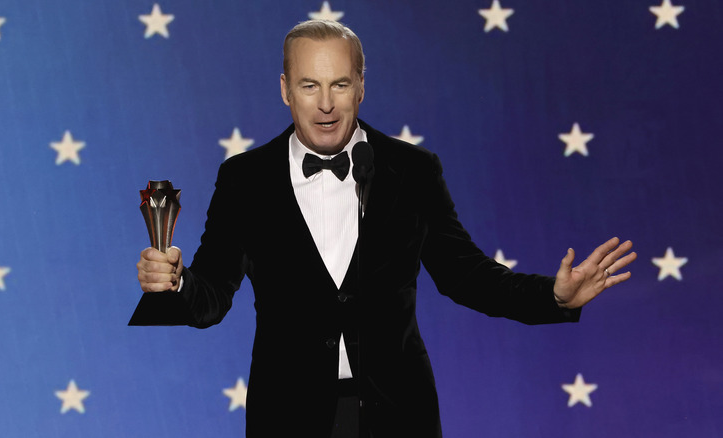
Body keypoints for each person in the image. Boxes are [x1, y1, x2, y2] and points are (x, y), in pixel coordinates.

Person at [133, 19, 636, 438]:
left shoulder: (413, 170)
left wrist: (554, 296)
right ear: (286, 90)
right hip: (287, 418)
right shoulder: (245, 179)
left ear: (361, 86)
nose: (325, 103)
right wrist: (175, 282)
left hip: (400, 416)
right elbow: (212, 295)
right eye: (310, 85)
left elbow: (467, 276)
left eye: (340, 84)